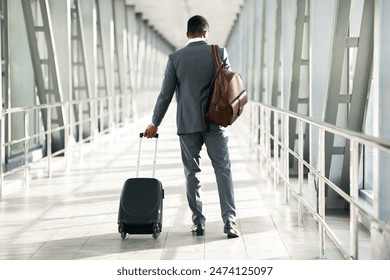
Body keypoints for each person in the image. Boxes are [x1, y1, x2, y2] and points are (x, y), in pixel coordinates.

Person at [144, 15, 239, 238]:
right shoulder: (219, 52)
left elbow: (165, 94)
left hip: (187, 125)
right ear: (205, 32)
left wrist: (154, 123)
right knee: (223, 171)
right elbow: (229, 87)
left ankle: (198, 223)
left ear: (188, 34)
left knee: (191, 174)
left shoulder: (175, 58)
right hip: (215, 123)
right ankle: (229, 222)